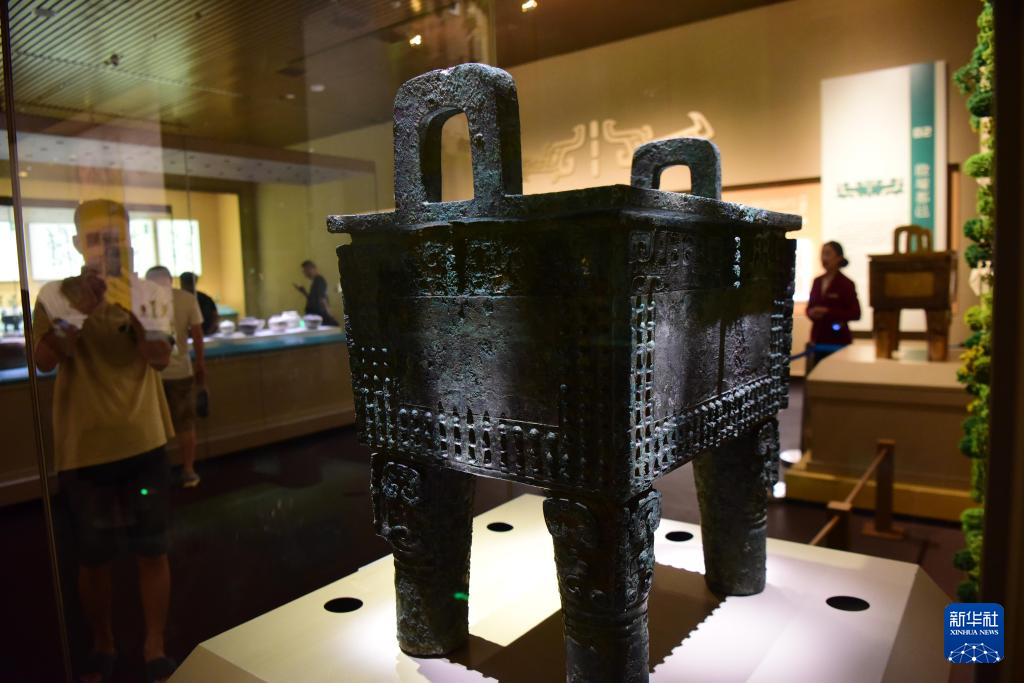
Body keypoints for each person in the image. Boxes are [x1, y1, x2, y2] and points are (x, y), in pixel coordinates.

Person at [33, 199, 178, 682]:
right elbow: (44, 361)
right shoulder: (55, 295)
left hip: (144, 438)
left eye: (112, 239)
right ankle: (102, 642)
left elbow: (160, 358)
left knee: (152, 548)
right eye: (94, 239)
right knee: (93, 557)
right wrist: (78, 310)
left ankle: (154, 644)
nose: (104, 248)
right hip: (84, 447)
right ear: (77, 244)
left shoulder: (149, 292)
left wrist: (135, 312)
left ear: (129, 242)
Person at [146, 266, 205, 488]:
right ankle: (188, 470)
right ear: (170, 280)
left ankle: (156, 475)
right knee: (185, 423)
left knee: (153, 427)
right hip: (181, 371)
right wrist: (200, 365)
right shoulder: (186, 299)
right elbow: (197, 335)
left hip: (151, 374)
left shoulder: (142, 303)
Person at [806, 240, 861, 368]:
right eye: (822, 254)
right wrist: (811, 312)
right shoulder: (817, 281)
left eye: (828, 254)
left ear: (839, 258)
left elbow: (856, 313)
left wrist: (827, 312)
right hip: (818, 340)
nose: (823, 258)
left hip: (838, 341)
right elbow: (809, 307)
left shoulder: (846, 284)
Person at [293, 260, 339, 326]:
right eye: (304, 272)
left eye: (305, 271)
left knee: (333, 327)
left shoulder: (319, 280)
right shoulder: (315, 281)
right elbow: (313, 299)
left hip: (319, 315)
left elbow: (322, 298)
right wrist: (303, 291)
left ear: (312, 269)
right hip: (314, 315)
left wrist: (330, 315)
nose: (305, 274)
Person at [179, 271, 218, 337]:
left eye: (190, 283)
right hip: (186, 335)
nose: (188, 286)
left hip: (204, 334)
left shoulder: (205, 299)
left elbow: (215, 316)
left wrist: (208, 332)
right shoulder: (176, 299)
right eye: (187, 282)